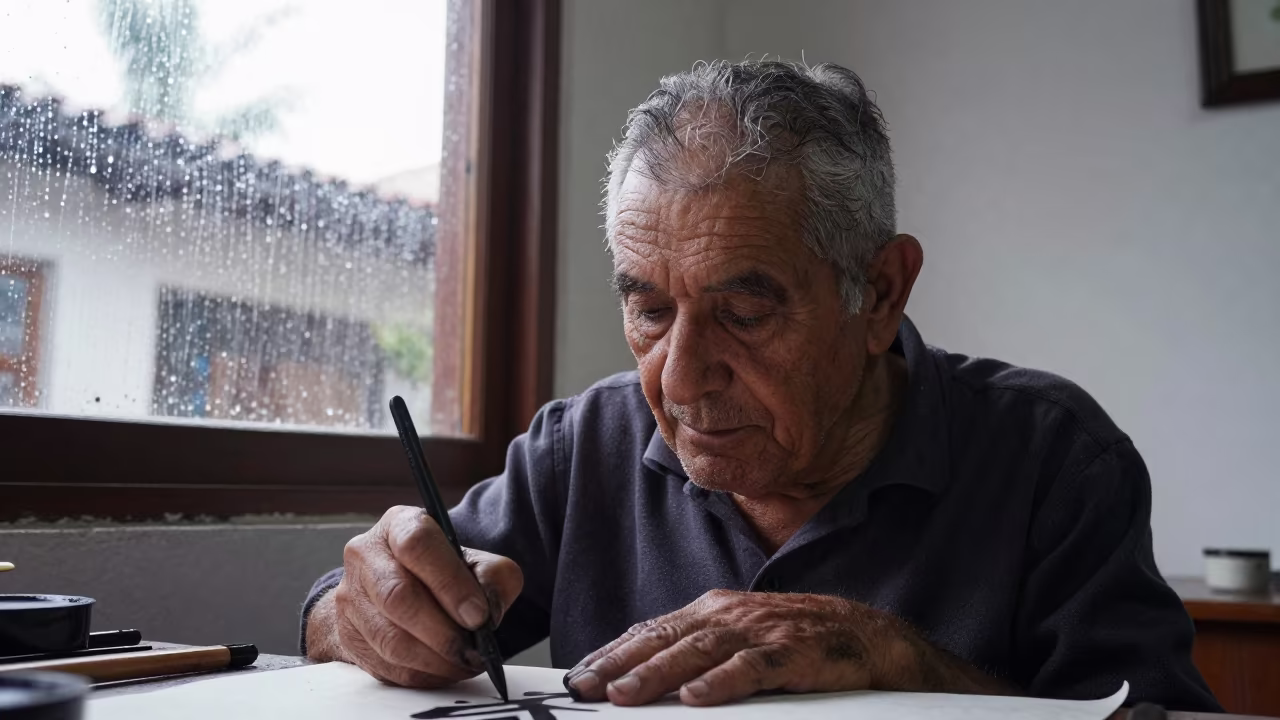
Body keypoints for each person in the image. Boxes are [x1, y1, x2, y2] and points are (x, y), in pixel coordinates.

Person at [300, 59, 1219, 712]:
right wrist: (363, 616)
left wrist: (899, 662)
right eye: (650, 311)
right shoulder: (584, 447)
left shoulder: (1054, 456)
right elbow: (356, 611)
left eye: (745, 311)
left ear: (881, 293)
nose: (683, 379)